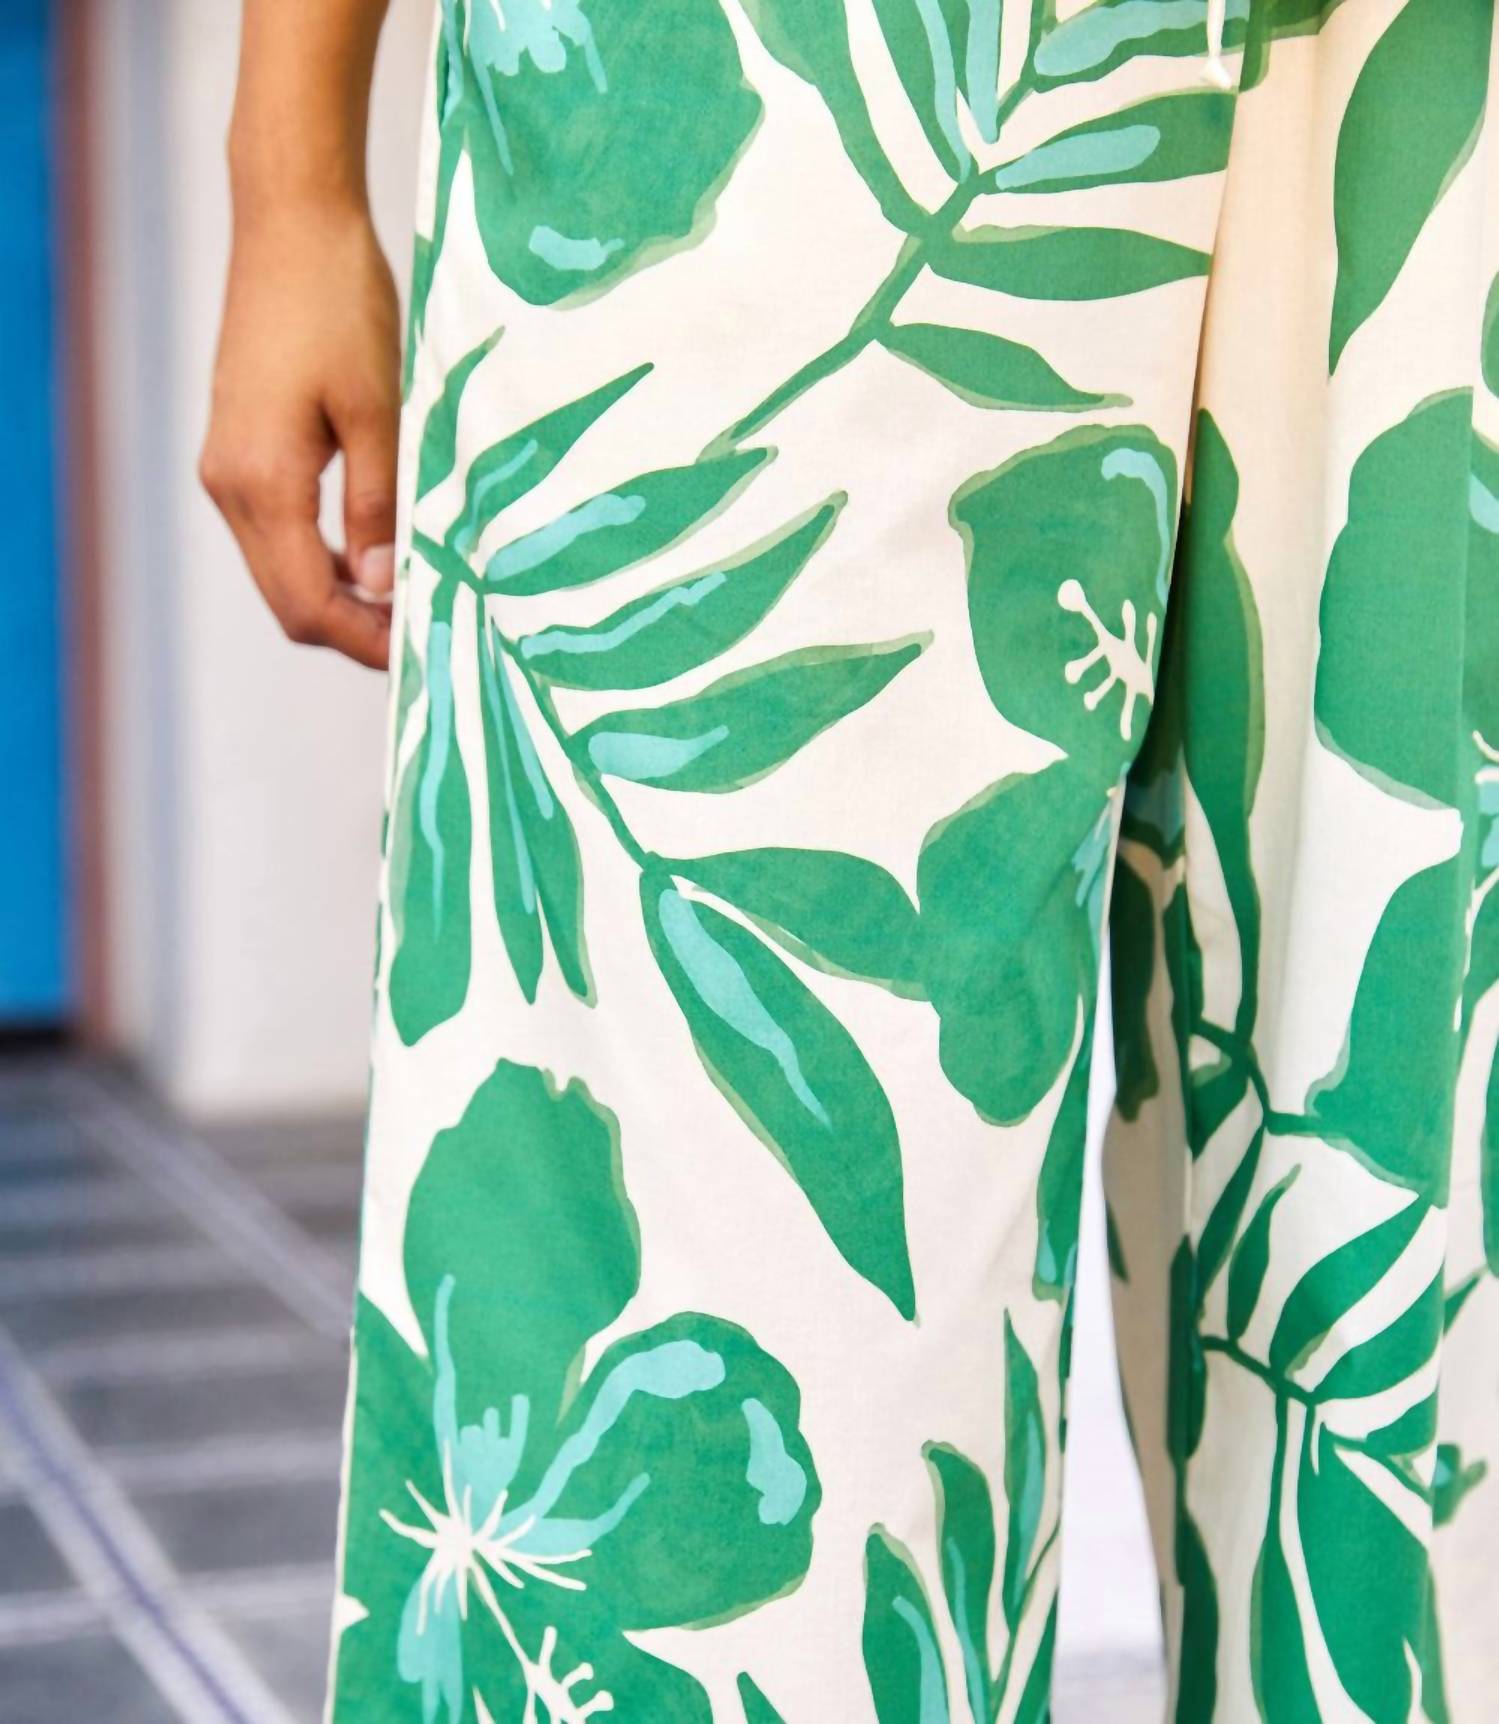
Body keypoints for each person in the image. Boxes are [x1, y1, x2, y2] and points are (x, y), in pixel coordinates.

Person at [204, 1, 1499, 1718]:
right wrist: (289, 165)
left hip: (1427, 64)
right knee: (733, 1419)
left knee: (1407, 1319)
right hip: (762, 73)